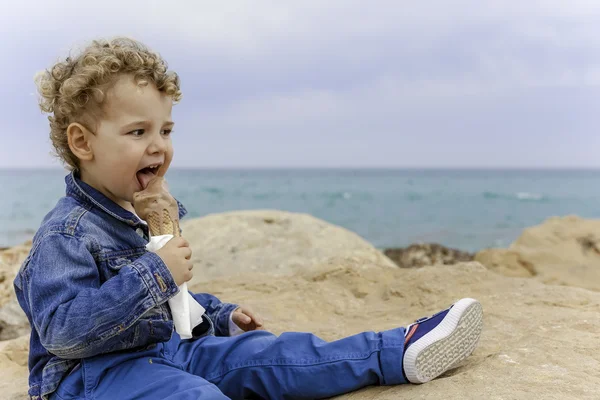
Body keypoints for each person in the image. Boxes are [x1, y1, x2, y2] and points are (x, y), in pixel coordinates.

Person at [14, 37, 484, 400]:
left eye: (165, 129)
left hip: (167, 351)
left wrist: (219, 316)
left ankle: (392, 352)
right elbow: (64, 332)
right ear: (82, 143)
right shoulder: (67, 233)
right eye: (138, 132)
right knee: (197, 395)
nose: (158, 145)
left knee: (276, 356)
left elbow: (171, 306)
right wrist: (155, 273)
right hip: (92, 378)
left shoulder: (133, 212)